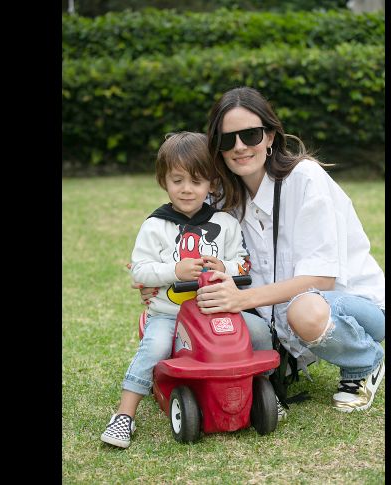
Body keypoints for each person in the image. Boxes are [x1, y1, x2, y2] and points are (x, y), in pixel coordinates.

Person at [136, 87, 385, 414]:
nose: (239, 147)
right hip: (281, 316)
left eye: (250, 135)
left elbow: (320, 280)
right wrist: (156, 276)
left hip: (353, 306)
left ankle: (364, 362)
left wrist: (242, 299)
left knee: (304, 311)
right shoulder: (223, 200)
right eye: (227, 140)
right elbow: (183, 238)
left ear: (270, 136)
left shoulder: (305, 179)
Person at [101, 132, 274, 449]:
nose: (186, 189)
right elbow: (140, 269)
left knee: (260, 333)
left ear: (212, 182)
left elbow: (244, 264)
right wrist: (174, 271)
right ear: (163, 181)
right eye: (177, 180)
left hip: (220, 309)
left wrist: (224, 268)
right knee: (154, 349)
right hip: (171, 314)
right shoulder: (155, 225)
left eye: (196, 181)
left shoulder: (224, 223)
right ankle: (124, 415)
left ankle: (261, 390)